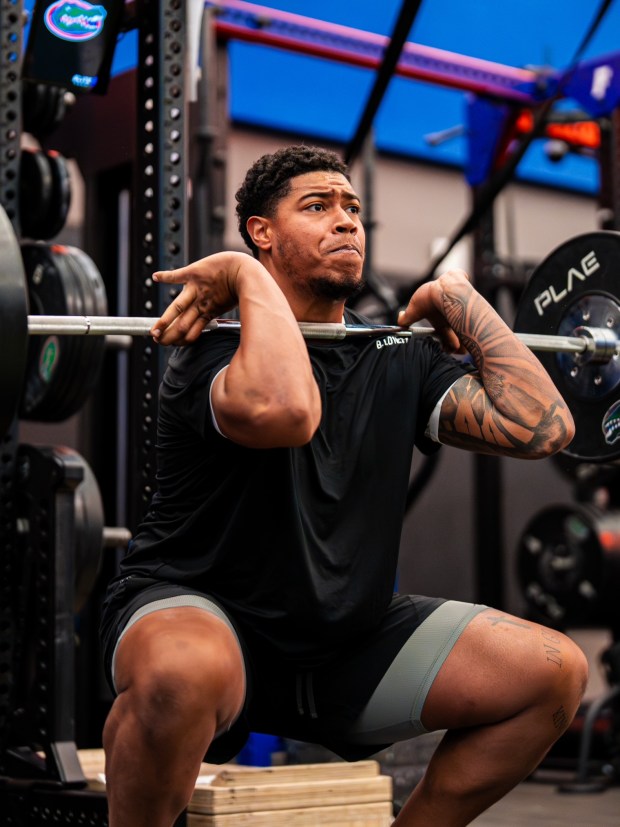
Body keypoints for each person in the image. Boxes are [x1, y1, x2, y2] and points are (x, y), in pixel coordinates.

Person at [100, 144, 587, 827]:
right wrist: (244, 277)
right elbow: (290, 410)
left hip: (343, 640)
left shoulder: (398, 356)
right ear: (261, 232)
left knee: (552, 672)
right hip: (203, 615)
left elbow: (545, 427)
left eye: (352, 208)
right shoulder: (208, 350)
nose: (346, 221)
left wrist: (461, 297)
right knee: (184, 673)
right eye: (318, 206)